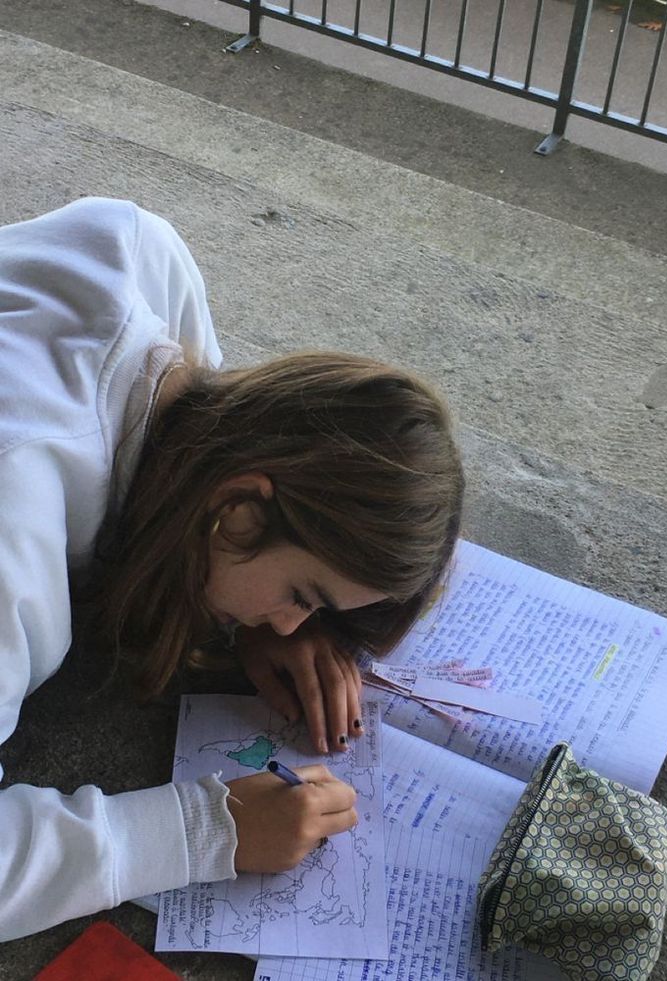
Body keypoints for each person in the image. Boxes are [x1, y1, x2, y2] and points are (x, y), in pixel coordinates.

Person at [0, 197, 464, 942]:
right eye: (302, 597)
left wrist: (238, 621)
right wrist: (205, 831)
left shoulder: (145, 252)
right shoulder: (12, 522)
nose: (291, 626)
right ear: (243, 510)